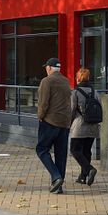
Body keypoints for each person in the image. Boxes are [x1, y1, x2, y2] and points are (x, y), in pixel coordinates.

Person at [36, 57, 72, 194]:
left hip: (50, 121)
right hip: (65, 123)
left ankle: (56, 177)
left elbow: (43, 102)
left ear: (50, 68)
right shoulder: (65, 81)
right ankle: (59, 186)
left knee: (42, 149)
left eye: (46, 67)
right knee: (61, 154)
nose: (46, 69)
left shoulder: (47, 81)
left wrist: (40, 116)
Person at [70, 68, 100, 186]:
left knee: (75, 150)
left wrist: (68, 124)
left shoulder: (75, 92)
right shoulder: (95, 92)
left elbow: (72, 110)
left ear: (78, 78)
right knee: (87, 151)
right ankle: (82, 177)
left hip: (79, 126)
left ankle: (89, 169)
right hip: (93, 126)